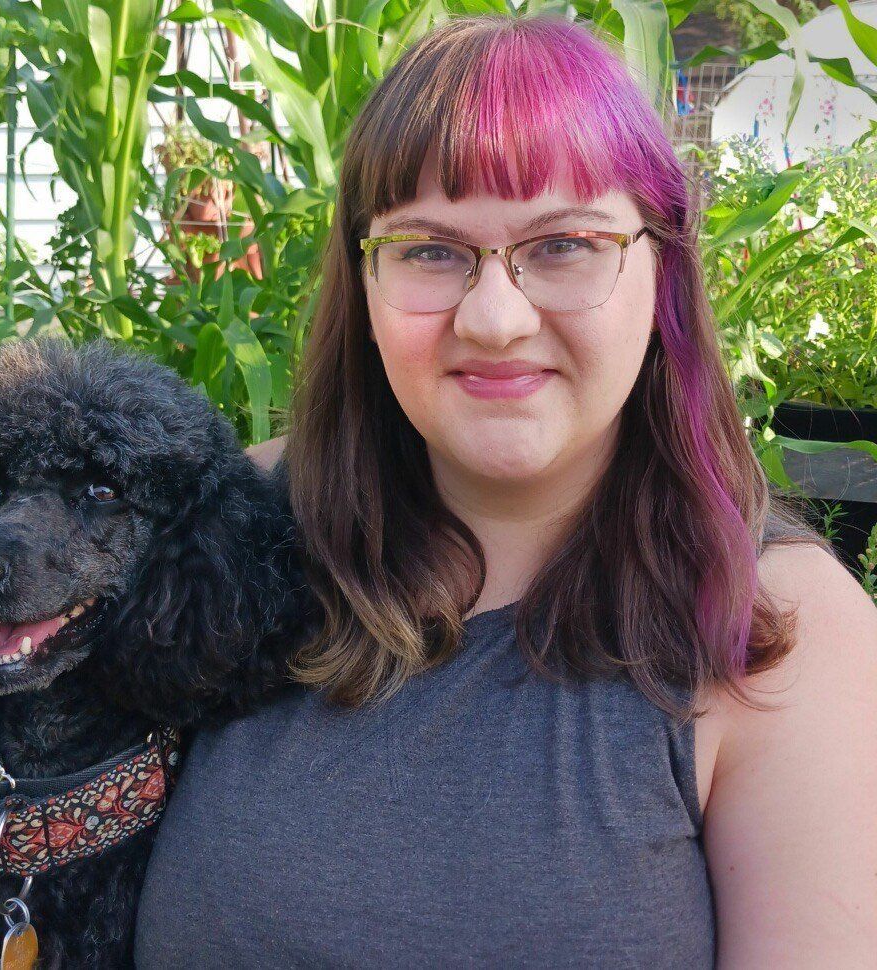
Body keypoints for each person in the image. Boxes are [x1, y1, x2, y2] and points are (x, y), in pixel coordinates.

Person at [135, 14, 877, 967]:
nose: (493, 318)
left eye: (565, 244)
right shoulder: (235, 526)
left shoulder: (780, 631)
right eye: (430, 251)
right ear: (363, 281)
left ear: (664, 271)